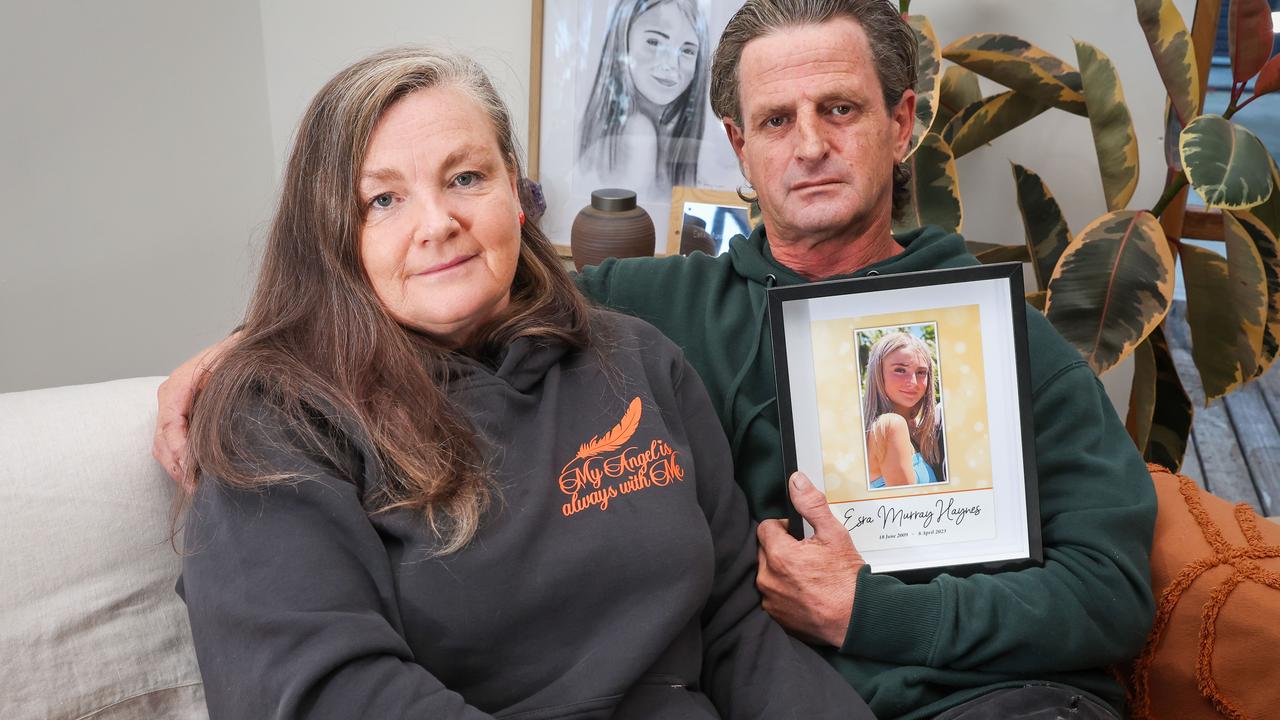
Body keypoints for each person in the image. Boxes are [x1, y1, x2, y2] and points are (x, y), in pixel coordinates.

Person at [155, 2, 1157, 718]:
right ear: (733, 143)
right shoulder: (647, 307)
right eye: (774, 119)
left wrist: (876, 614)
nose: (807, 144)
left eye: (840, 110)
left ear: (900, 124)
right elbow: (452, 281)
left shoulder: (999, 334)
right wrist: (266, 339)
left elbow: (1111, 591)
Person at [174, 46, 871, 719]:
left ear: (515, 186)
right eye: (383, 200)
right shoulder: (274, 424)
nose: (438, 224)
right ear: (331, 233)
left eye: (465, 178)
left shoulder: (638, 358)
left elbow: (734, 630)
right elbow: (321, 694)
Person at [577, 0, 708, 196]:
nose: (671, 64)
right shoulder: (638, 134)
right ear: (623, 41)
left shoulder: (643, 129)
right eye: (654, 42)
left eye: (687, 50)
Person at [861, 332, 945, 489]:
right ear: (878, 374)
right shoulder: (891, 425)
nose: (913, 382)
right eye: (900, 370)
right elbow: (910, 511)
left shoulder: (915, 431)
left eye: (921, 372)